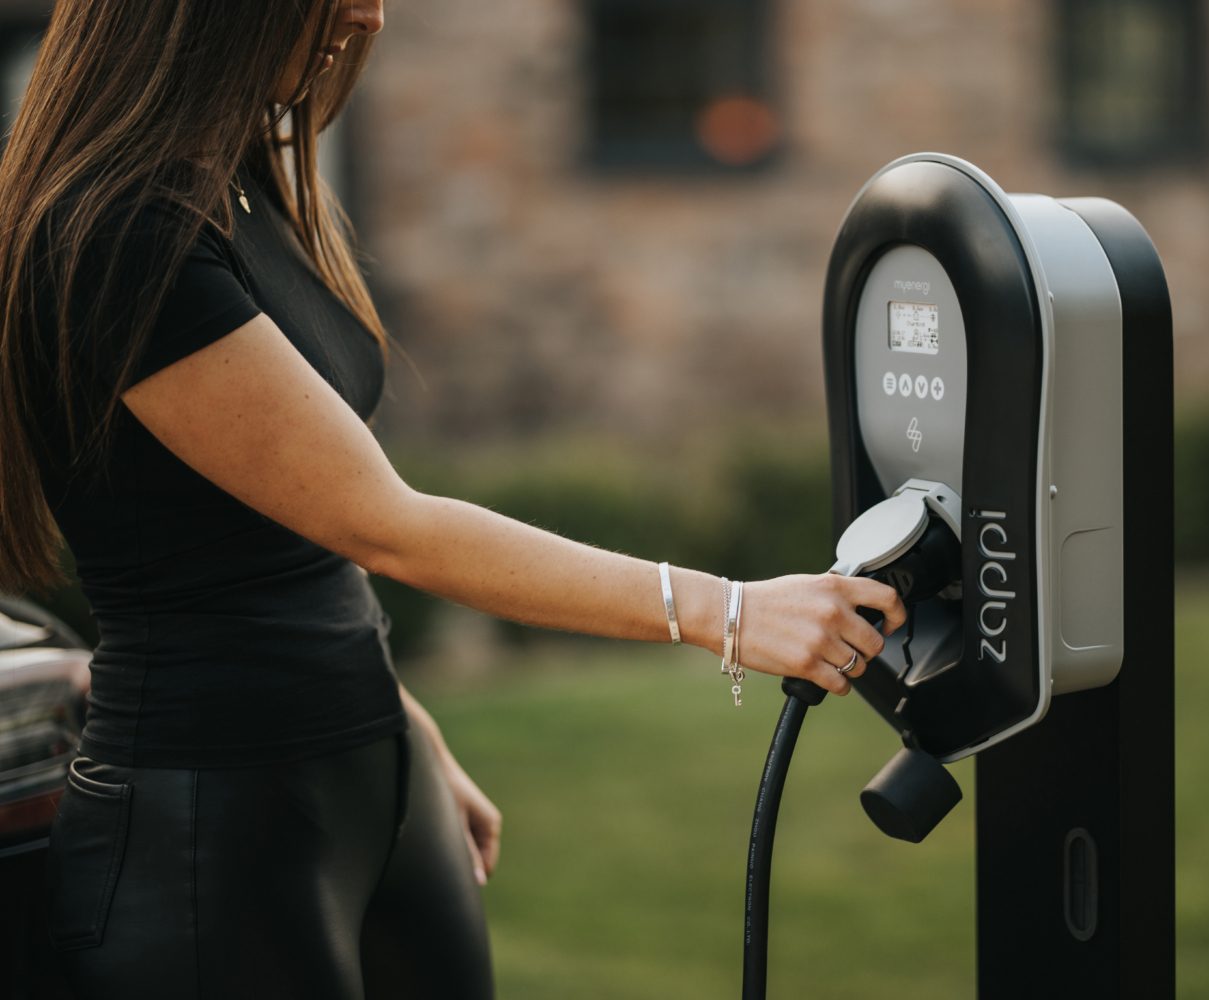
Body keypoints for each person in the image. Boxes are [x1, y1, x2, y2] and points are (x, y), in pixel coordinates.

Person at [0, 2, 905, 998]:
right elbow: (385, 524)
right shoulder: (122, 236)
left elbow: (280, 545)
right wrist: (726, 611)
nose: (370, 10)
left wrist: (398, 730)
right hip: (210, 824)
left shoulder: (237, 189)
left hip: (368, 773)